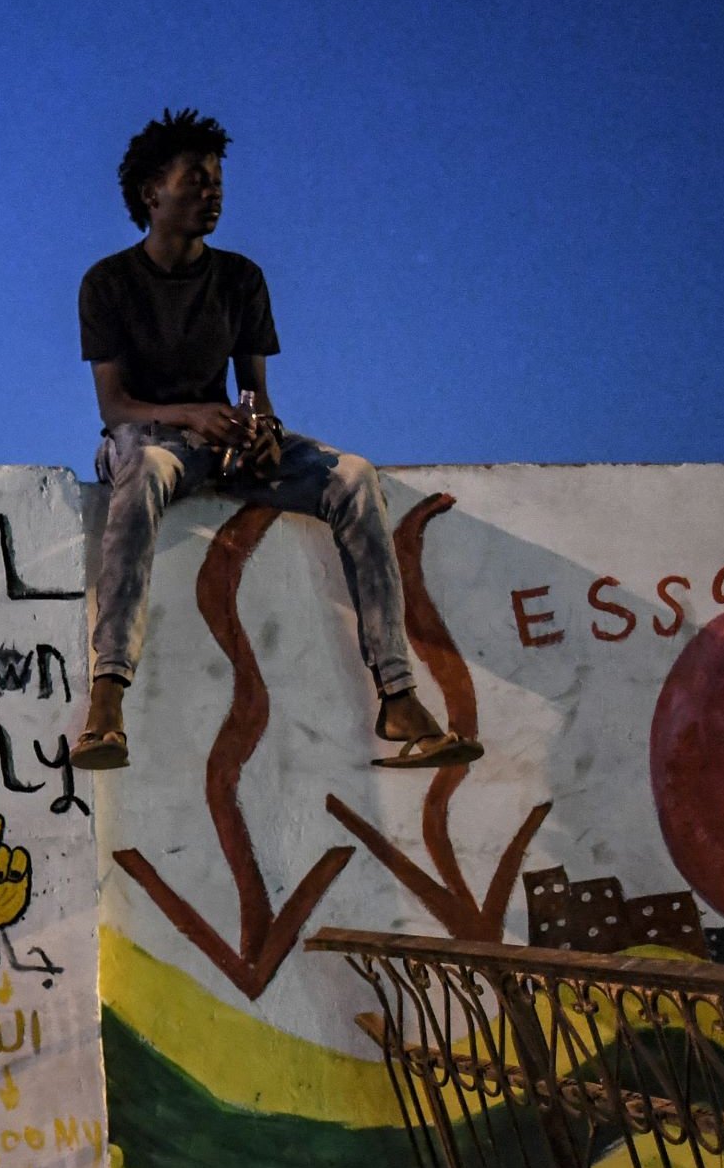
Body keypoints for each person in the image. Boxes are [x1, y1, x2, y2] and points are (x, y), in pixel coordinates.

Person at [70, 108, 479, 772]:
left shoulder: (241, 279)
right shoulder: (108, 282)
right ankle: (107, 701)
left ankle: (398, 694)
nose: (213, 193)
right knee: (141, 469)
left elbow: (256, 393)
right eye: (197, 180)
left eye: (218, 182)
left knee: (351, 475)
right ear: (152, 193)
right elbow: (115, 405)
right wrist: (194, 415)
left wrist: (262, 434)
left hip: (222, 443)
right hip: (149, 439)